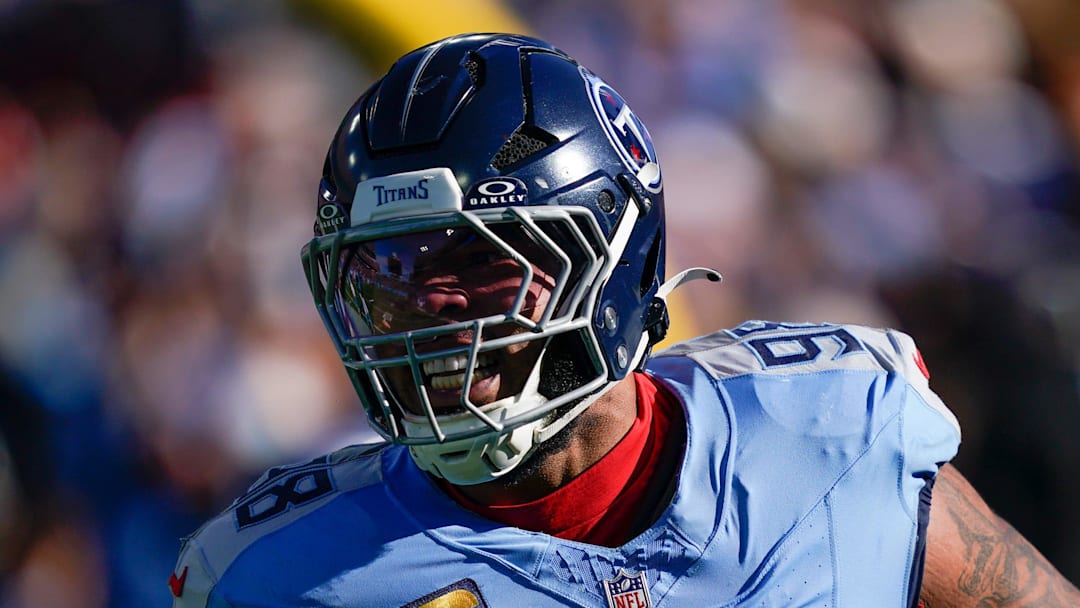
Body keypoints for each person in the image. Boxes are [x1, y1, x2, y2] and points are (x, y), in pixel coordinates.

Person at [168, 33, 1080, 607]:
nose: (432, 306)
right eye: (392, 275)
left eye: (480, 262)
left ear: (613, 256)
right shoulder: (279, 574)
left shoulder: (836, 433)